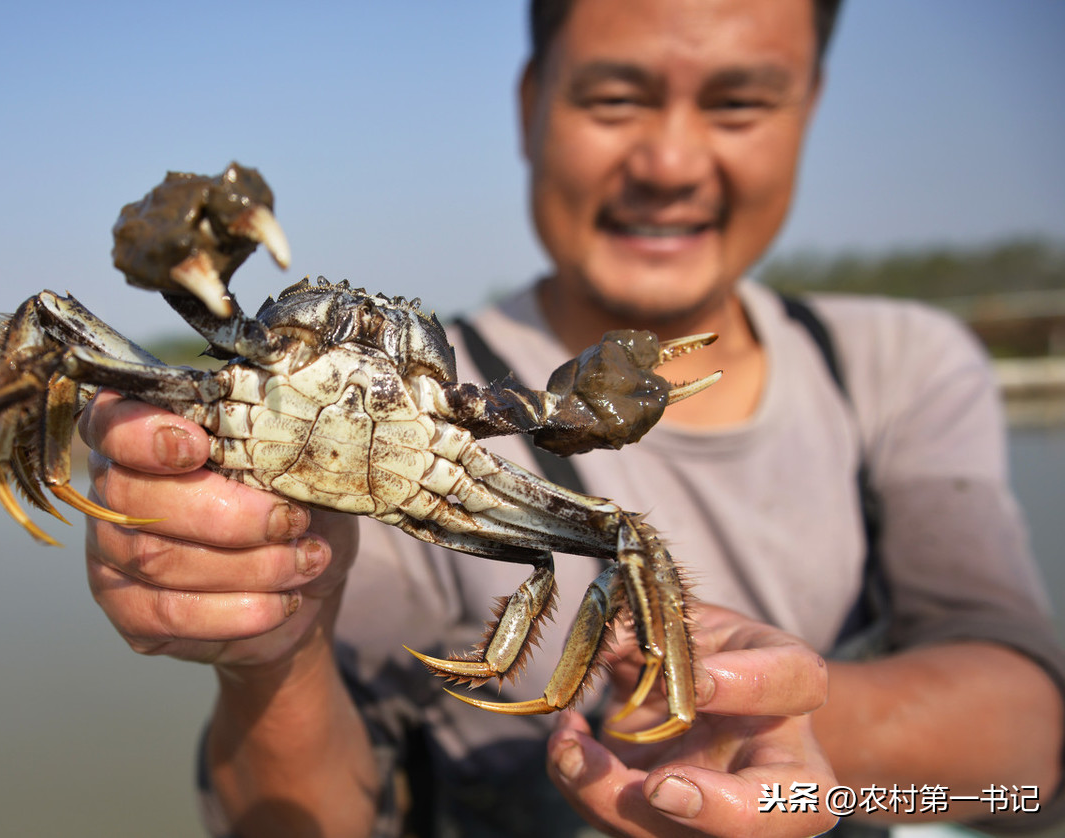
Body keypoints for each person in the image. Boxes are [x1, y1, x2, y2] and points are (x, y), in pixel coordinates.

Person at [78, 0, 1065, 835]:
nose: (671, 161)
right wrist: (274, 653)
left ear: (809, 110)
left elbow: (1028, 734)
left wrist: (730, 714)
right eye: (616, 97)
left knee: (605, 544)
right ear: (529, 104)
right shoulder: (415, 446)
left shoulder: (899, 365)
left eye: (738, 101)